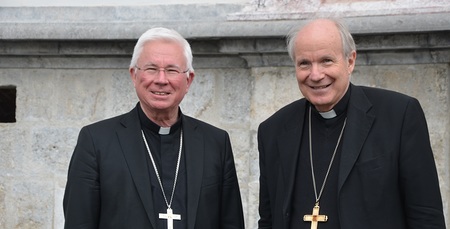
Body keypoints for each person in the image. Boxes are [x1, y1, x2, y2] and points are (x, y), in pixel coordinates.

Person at [257, 18, 446, 229]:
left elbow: (426, 217)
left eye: (327, 60)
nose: (316, 75)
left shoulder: (399, 116)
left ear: (350, 61)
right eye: (304, 63)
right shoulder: (272, 130)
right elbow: (268, 220)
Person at [63, 27, 245, 229]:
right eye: (151, 69)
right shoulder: (96, 141)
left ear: (188, 80)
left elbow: (231, 223)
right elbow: (79, 222)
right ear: (134, 75)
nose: (161, 80)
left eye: (172, 70)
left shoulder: (215, 142)